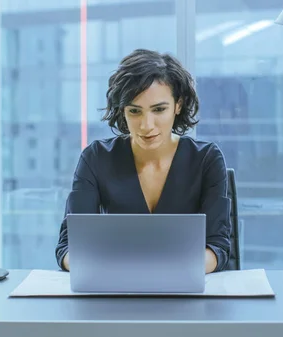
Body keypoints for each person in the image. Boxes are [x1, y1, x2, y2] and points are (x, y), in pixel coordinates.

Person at [55, 48, 231, 274]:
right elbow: (68, 246)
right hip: (115, 290)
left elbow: (218, 247)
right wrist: (96, 267)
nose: (147, 125)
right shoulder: (95, 158)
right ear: (123, 111)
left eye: (159, 109)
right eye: (135, 111)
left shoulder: (207, 159)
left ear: (178, 105)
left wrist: (160, 272)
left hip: (184, 289)